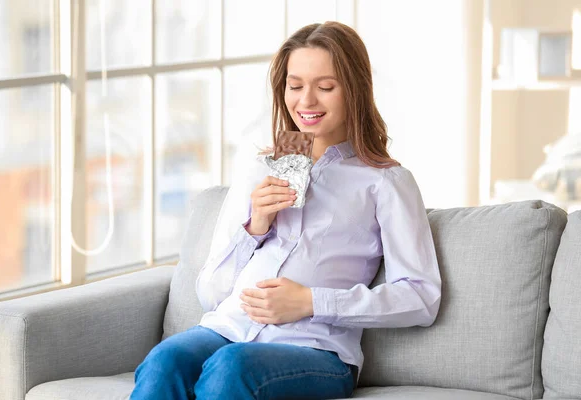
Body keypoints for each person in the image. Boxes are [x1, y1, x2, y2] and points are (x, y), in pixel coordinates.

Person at [130, 21, 441, 400]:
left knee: (233, 367)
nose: (306, 101)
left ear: (355, 90)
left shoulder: (385, 181)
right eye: (295, 86)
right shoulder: (262, 168)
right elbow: (210, 293)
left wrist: (310, 301)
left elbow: (421, 298)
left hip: (314, 349)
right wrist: (255, 226)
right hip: (227, 329)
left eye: (325, 87)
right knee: (165, 361)